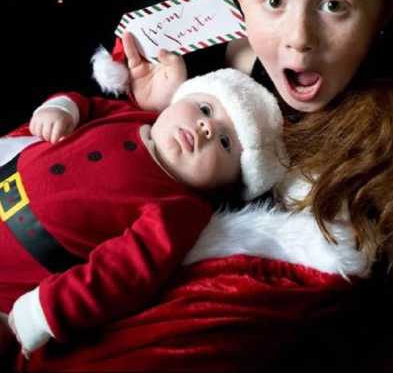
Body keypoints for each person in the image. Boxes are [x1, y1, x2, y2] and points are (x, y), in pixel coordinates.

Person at [9, 0, 393, 372]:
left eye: (334, 6)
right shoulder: (239, 58)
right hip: (126, 278)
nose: (298, 38)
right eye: (274, 2)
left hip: (286, 320)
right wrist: (156, 105)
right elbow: (157, 180)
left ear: (382, 10)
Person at [0, 67, 287, 359]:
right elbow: (89, 105)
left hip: (18, 266)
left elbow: (124, 272)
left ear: (224, 186)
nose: (206, 127)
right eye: (205, 108)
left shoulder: (181, 208)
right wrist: (62, 109)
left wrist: (48, 308)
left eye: (225, 142)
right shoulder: (136, 117)